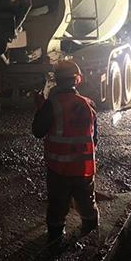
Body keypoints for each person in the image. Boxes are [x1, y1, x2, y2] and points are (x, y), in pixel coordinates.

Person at [32, 60, 99, 246]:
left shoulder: (51, 104)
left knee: (57, 207)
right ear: (77, 80)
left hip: (59, 169)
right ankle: (93, 241)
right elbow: (94, 139)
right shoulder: (88, 104)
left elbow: (38, 131)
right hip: (84, 168)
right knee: (87, 204)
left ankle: (55, 242)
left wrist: (40, 109)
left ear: (56, 81)